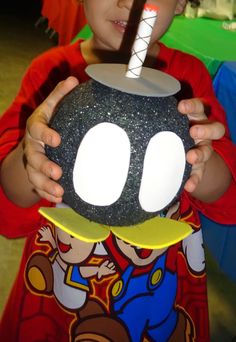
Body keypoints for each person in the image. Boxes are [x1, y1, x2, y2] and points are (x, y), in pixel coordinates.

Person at [0, 0, 235, 341]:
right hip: (63, 298)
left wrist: (201, 156)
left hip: (158, 297)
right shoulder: (52, 76)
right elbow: (8, 207)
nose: (129, 2)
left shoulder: (188, 80)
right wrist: (32, 158)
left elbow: (225, 198)